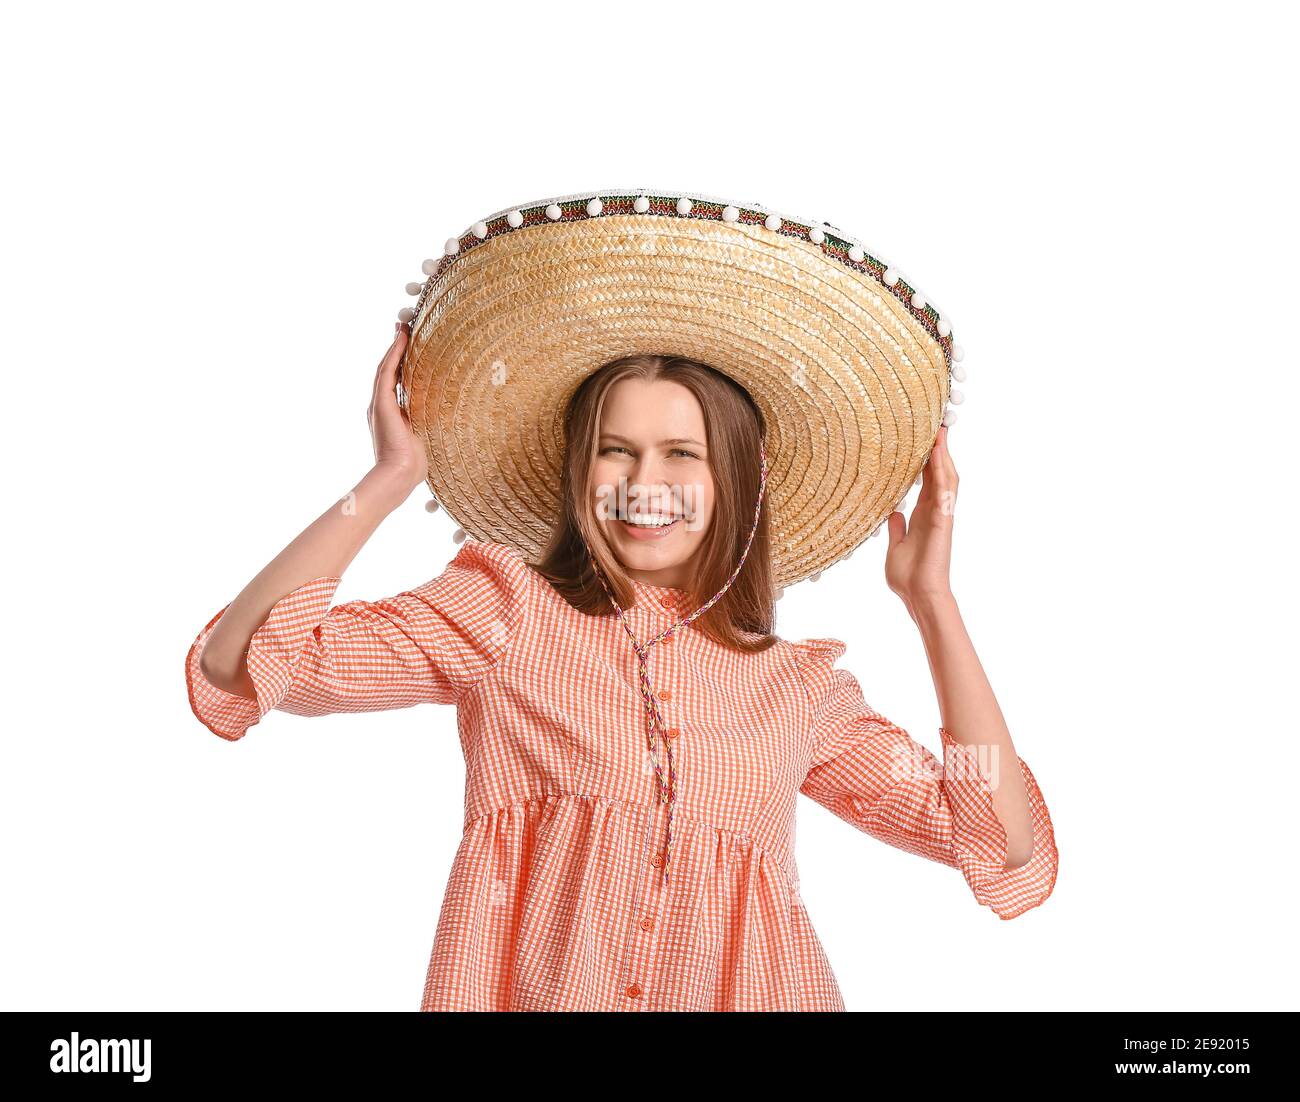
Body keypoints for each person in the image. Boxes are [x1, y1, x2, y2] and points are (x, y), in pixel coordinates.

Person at [185, 190, 1058, 1011]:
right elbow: (248, 661)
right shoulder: (504, 613)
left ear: (737, 481)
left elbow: (993, 838)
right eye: (616, 450)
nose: (647, 483)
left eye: (684, 453)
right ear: (580, 470)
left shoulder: (797, 691)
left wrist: (933, 605)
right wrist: (388, 480)